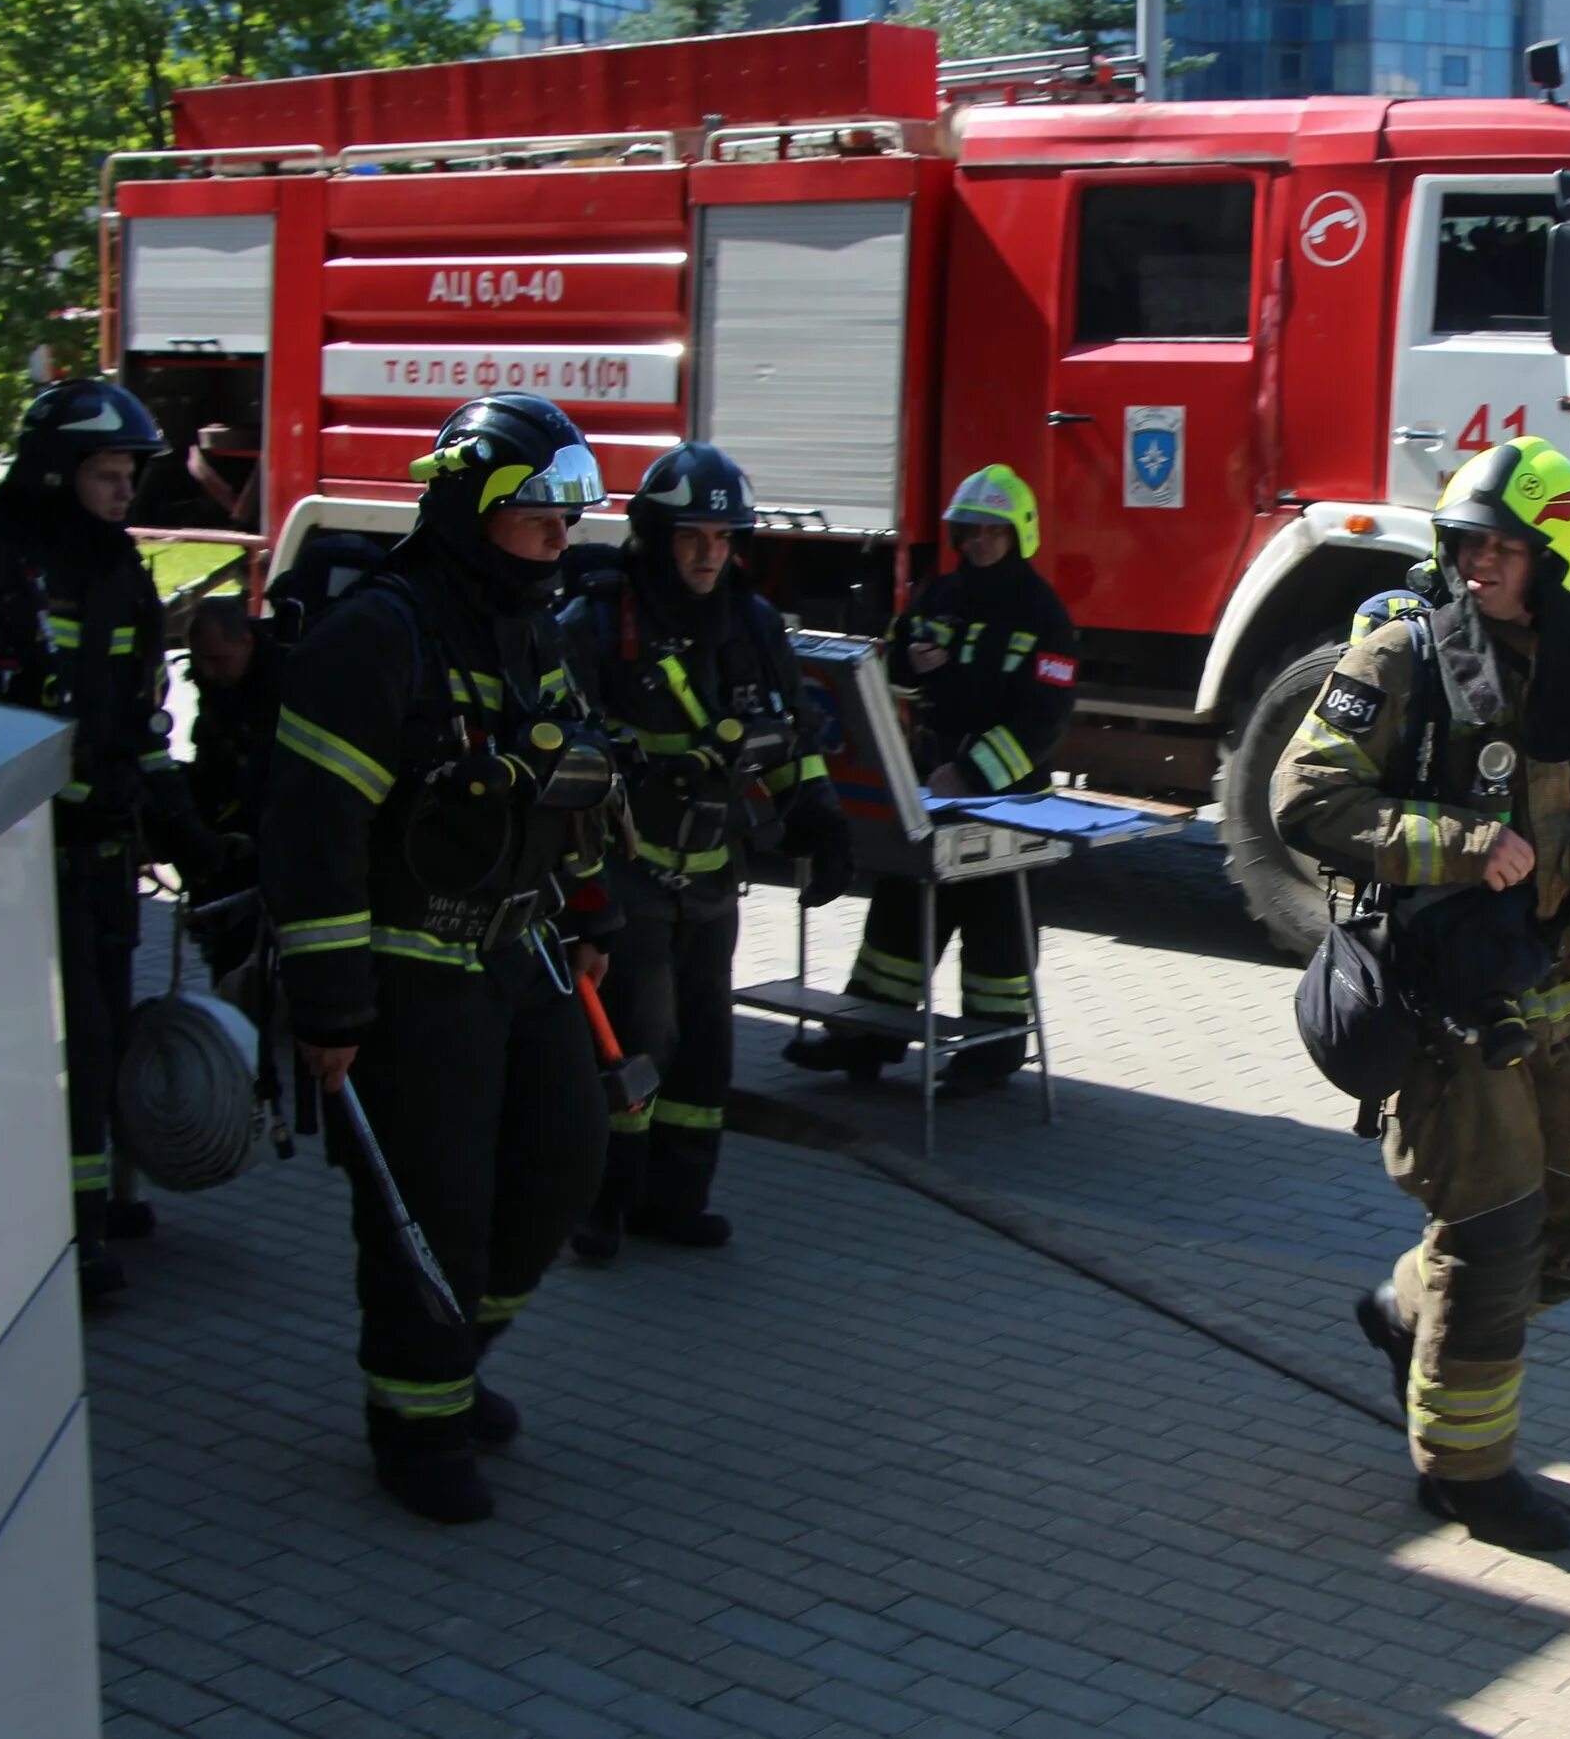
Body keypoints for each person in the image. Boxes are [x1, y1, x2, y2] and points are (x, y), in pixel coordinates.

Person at [1273, 439, 1570, 1553]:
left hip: (1563, 1000)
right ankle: (1465, 1476)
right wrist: (1457, 841)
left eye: (1505, 548)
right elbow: (1305, 798)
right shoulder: (1400, 659)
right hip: (1449, 1009)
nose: (1480, 563)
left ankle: (1407, 1312)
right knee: (1491, 1241)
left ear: (1553, 558)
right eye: (1468, 542)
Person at [258, 392, 620, 1525]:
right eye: (541, 518)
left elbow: (577, 779)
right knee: (434, 1208)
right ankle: (416, 1430)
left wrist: (593, 907)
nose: (562, 541)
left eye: (572, 520)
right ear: (472, 509)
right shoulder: (377, 636)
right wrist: (329, 1006)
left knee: (566, 1159)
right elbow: (311, 840)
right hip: (409, 982)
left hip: (524, 959)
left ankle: (456, 1357)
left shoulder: (531, 629)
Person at [0, 379, 218, 1303]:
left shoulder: (116, 571)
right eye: (105, 475)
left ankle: (97, 1199)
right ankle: (69, 1238)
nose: (122, 493)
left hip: (105, 848)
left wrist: (190, 830)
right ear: (56, 473)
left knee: (106, 1022)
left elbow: (141, 720)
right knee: (64, 1045)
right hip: (26, 856)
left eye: (126, 476)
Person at [562, 443, 850, 1262]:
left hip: (713, 877)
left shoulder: (752, 625)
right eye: (693, 537)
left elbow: (791, 737)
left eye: (724, 539)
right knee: (633, 1046)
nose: (709, 554)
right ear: (655, 535)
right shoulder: (596, 623)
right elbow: (558, 749)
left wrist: (818, 820)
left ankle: (676, 1201)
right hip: (628, 874)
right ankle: (600, 1204)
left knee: (701, 1051)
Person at [785, 464, 1079, 1098]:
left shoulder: (1043, 615)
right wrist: (907, 665)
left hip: (1008, 792)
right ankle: (865, 1038)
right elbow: (888, 669)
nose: (977, 542)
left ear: (1017, 534)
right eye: (967, 531)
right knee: (899, 905)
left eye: (990, 532)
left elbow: (1044, 718)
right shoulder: (939, 595)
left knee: (995, 922)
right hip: (927, 780)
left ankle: (993, 1050)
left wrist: (971, 773)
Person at [183, 595, 277, 974]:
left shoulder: (283, 686)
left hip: (263, 837)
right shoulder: (219, 681)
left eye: (218, 660)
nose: (207, 672)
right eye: (200, 660)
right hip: (220, 829)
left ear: (246, 643)